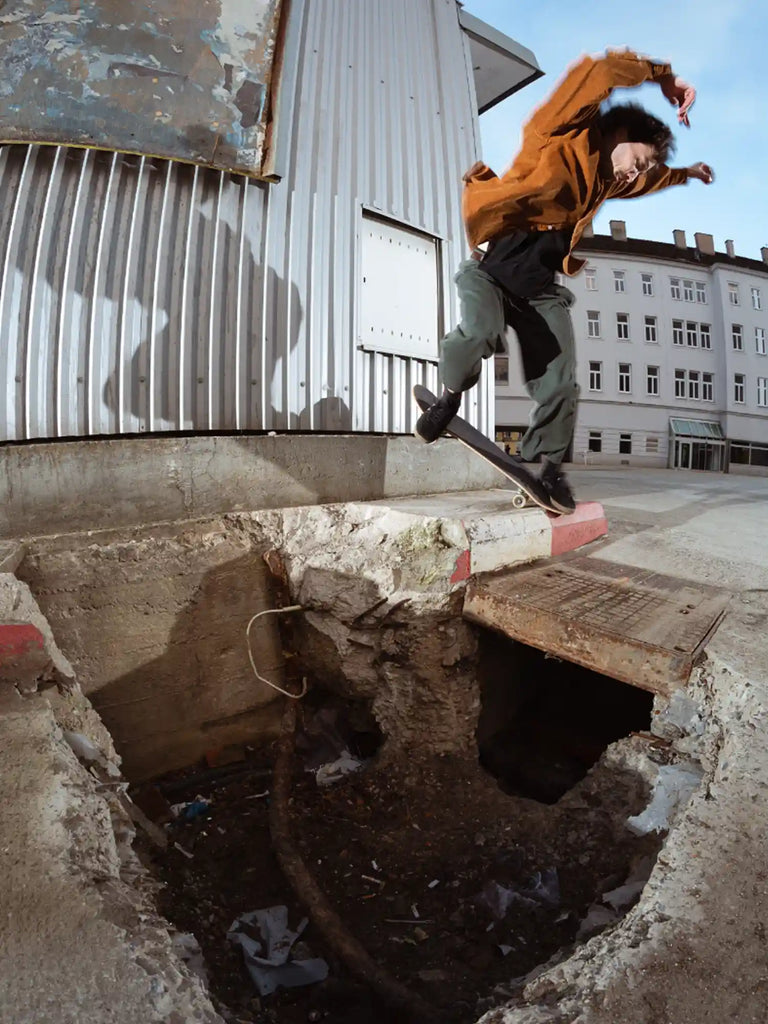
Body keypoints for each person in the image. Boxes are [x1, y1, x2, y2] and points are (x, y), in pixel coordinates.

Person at [414, 48, 714, 512]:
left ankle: (551, 471)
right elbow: (599, 71)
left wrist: (684, 174)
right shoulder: (560, 131)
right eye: (636, 158)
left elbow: (645, 182)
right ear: (618, 133)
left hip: (539, 290)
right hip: (491, 271)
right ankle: (449, 399)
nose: (634, 173)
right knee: (479, 333)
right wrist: (664, 77)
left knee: (559, 381)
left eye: (640, 169)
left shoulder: (609, 180)